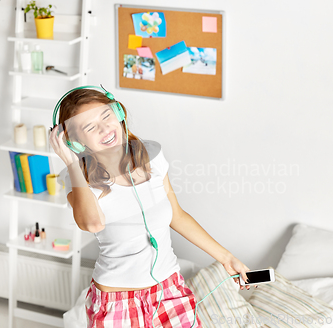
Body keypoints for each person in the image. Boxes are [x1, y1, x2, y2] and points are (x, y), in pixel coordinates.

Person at [49, 88, 256, 328]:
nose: (105, 128)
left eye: (106, 116)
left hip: (170, 290)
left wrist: (227, 259)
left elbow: (176, 216)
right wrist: (72, 163)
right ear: (75, 142)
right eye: (90, 127)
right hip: (117, 302)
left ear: (118, 112)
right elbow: (92, 224)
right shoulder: (77, 180)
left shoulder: (153, 159)